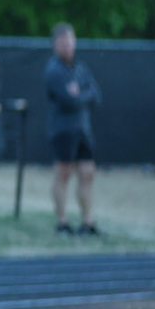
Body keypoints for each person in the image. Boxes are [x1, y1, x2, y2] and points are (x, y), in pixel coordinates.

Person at [43, 22, 102, 236]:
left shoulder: (81, 68)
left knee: (87, 173)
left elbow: (96, 95)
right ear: (55, 44)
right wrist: (79, 95)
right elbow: (69, 100)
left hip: (82, 130)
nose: (68, 46)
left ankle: (87, 222)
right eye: (63, 42)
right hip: (63, 130)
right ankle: (62, 222)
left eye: (71, 40)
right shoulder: (53, 70)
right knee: (64, 173)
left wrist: (81, 93)